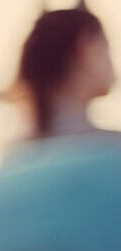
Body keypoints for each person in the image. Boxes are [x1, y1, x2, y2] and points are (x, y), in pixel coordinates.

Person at [12, 5, 116, 151]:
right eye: (107, 49)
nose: (112, 64)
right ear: (87, 50)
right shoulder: (111, 150)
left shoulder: (14, 153)